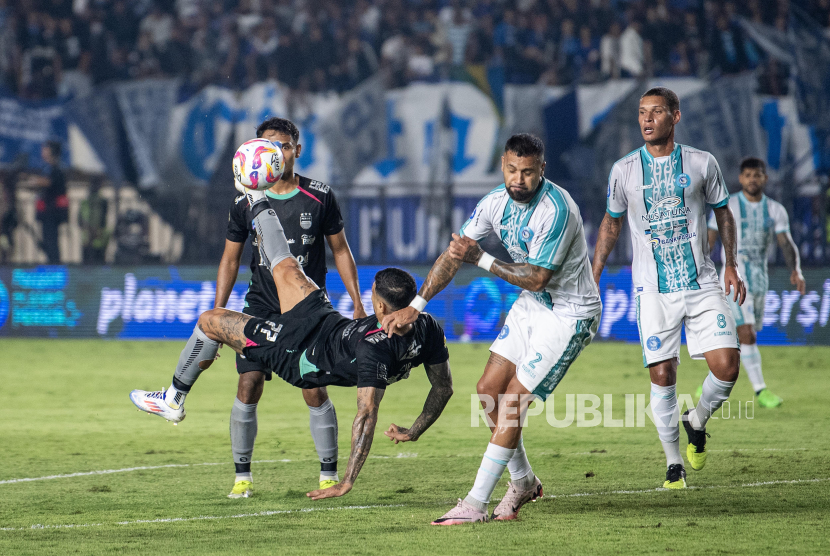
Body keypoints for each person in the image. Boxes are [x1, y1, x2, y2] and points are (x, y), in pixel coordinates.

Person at [130, 188, 453, 501]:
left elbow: (366, 415)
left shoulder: (375, 350)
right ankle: (256, 196)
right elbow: (443, 387)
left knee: (209, 321)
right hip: (325, 321)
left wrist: (347, 482)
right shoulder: (427, 328)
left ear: (380, 307)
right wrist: (415, 430)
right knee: (285, 264)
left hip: (298, 352)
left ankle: (174, 399)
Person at [382, 134, 602, 524]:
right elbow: (454, 256)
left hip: (570, 313)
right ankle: (523, 481)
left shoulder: (558, 209)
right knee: (488, 391)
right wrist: (417, 306)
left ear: (542, 170)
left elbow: (537, 277)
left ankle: (474, 504)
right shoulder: (493, 203)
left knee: (514, 401)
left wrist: (480, 258)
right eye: (512, 170)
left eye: (528, 172)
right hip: (534, 307)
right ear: (503, 164)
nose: (518, 179)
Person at [592, 87, 746, 490]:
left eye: (656, 112)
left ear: (675, 117)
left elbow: (723, 213)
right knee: (663, 373)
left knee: (727, 366)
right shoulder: (623, 170)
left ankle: (696, 421)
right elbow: (611, 223)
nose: (647, 119)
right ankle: (673, 464)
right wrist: (595, 271)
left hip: (702, 282)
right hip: (651, 290)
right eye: (642, 112)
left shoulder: (701, 163)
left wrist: (732, 264)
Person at [216, 117, 366, 498]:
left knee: (314, 388)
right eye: (268, 147)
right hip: (261, 305)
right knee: (248, 384)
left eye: (283, 146)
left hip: (307, 311)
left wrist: (359, 304)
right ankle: (242, 478)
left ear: (297, 150)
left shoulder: (320, 196)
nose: (276, 154)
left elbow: (340, 251)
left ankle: (328, 474)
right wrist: (218, 317)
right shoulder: (245, 201)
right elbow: (230, 260)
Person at [704, 157, 805, 408]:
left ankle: (713, 379)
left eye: (757, 175)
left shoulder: (775, 209)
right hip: (734, 275)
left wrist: (796, 270)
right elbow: (709, 240)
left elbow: (785, 243)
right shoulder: (728, 206)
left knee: (741, 336)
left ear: (764, 179)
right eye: (747, 175)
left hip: (760, 276)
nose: (752, 179)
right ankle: (761, 391)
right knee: (746, 333)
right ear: (741, 179)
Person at [28, 141, 68, 264]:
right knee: (46, 240)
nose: (43, 151)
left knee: (51, 241)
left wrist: (35, 181)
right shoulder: (46, 168)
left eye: (46, 148)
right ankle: (51, 261)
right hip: (45, 212)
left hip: (52, 212)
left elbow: (50, 181)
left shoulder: (55, 168)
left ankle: (54, 264)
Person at [79, 176, 110, 264]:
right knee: (95, 258)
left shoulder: (101, 201)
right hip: (92, 235)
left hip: (94, 235)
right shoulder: (96, 201)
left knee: (92, 259)